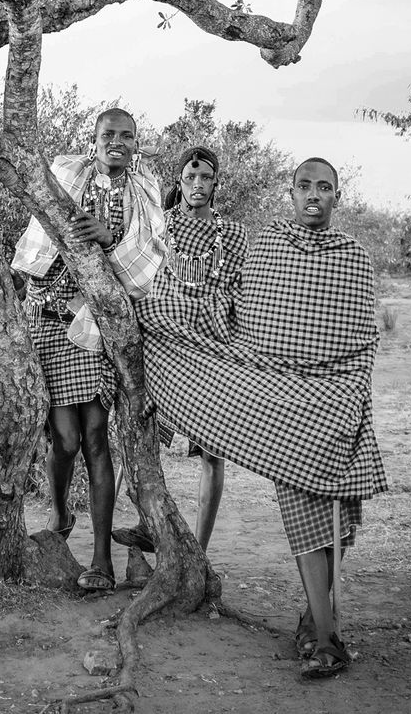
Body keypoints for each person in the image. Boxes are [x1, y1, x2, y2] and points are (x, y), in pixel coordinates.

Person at [140, 157, 386, 681]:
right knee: (302, 512)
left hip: (337, 401)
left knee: (334, 520)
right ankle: (325, 637)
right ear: (290, 193)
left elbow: (362, 340)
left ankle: (321, 624)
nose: (313, 195)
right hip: (281, 404)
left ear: (338, 197)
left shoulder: (354, 257)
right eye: (304, 186)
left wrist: (349, 396)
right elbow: (251, 327)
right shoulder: (269, 246)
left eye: (324, 187)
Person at [12, 108, 165, 592]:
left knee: (95, 438)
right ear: (93, 139)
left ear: (137, 143)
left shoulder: (144, 192)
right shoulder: (65, 176)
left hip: (98, 328)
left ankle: (102, 561)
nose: (116, 142)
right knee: (66, 441)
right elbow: (40, 241)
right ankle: (60, 517)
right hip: (51, 322)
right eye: (107, 135)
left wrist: (112, 237)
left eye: (126, 136)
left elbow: (152, 251)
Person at [117, 145, 248, 552]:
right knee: (145, 435)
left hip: (212, 351)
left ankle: (200, 550)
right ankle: (149, 525)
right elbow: (136, 277)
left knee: (213, 452)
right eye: (190, 177)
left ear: (215, 183)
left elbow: (242, 295)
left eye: (205, 177)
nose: (197, 184)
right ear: (179, 181)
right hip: (164, 348)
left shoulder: (234, 235)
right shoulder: (157, 226)